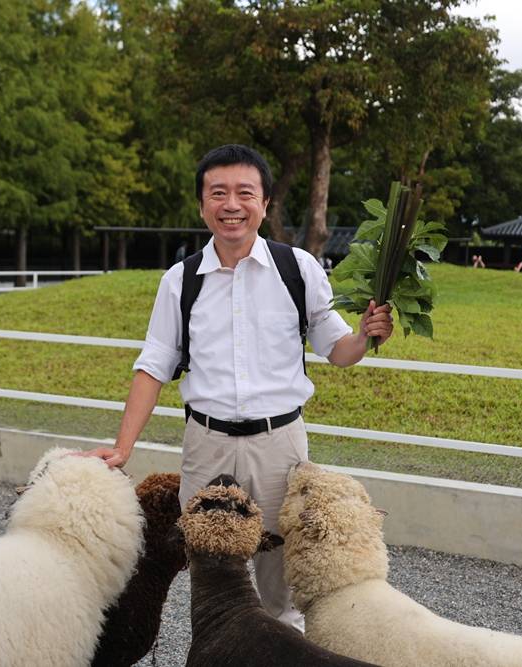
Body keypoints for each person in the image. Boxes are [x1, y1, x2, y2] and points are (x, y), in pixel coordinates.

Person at [80, 144, 393, 632]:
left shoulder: (298, 269)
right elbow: (154, 365)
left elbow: (338, 350)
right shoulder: (179, 282)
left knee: (280, 589)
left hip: (280, 446)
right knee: (211, 583)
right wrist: (123, 448)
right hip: (206, 445)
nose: (231, 204)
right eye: (218, 192)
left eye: (245, 192)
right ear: (202, 204)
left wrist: (365, 335)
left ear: (265, 203)